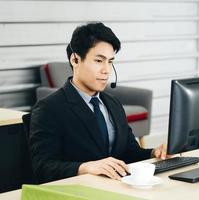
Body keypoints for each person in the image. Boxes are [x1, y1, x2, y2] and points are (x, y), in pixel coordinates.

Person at [29, 22, 168, 183]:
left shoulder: (113, 104)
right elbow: (42, 167)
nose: (106, 70)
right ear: (75, 59)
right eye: (99, 61)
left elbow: (129, 152)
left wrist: (154, 154)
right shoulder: (49, 108)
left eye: (110, 62)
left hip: (115, 188)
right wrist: (85, 167)